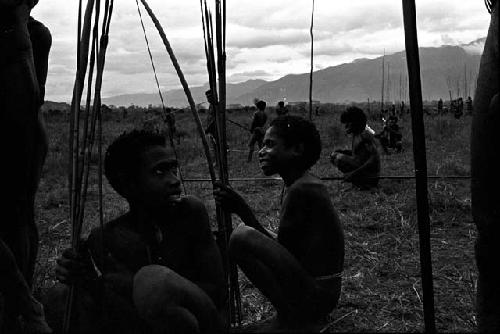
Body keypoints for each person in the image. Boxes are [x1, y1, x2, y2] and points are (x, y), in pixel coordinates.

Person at [50, 130, 226, 334]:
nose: (174, 180)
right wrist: (85, 279)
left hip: (203, 323)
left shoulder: (190, 213)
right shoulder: (106, 238)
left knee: (152, 282)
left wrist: (152, 286)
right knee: (59, 297)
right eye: (159, 172)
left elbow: (217, 291)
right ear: (128, 185)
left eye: (173, 169)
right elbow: (115, 309)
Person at [214, 115, 344, 331]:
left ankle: (291, 318)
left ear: (297, 149)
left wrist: (242, 210)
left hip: (318, 297)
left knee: (240, 238)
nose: (261, 151)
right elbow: (284, 252)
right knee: (241, 236)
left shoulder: (302, 190)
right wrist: (242, 211)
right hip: (319, 293)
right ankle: (290, 315)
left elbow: (282, 253)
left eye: (270, 144)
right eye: (263, 144)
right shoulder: (297, 184)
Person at [1, 0, 52, 332]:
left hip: (21, 133)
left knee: (18, 216)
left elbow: (32, 98)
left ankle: (20, 311)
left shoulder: (34, 35)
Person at [330, 106, 381, 189]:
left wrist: (353, 173)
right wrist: (345, 152)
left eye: (348, 122)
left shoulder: (364, 136)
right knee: (335, 155)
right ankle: (357, 183)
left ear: (356, 122)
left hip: (371, 178)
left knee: (337, 157)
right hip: (364, 172)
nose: (346, 126)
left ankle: (363, 183)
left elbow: (374, 158)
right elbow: (361, 155)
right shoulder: (356, 135)